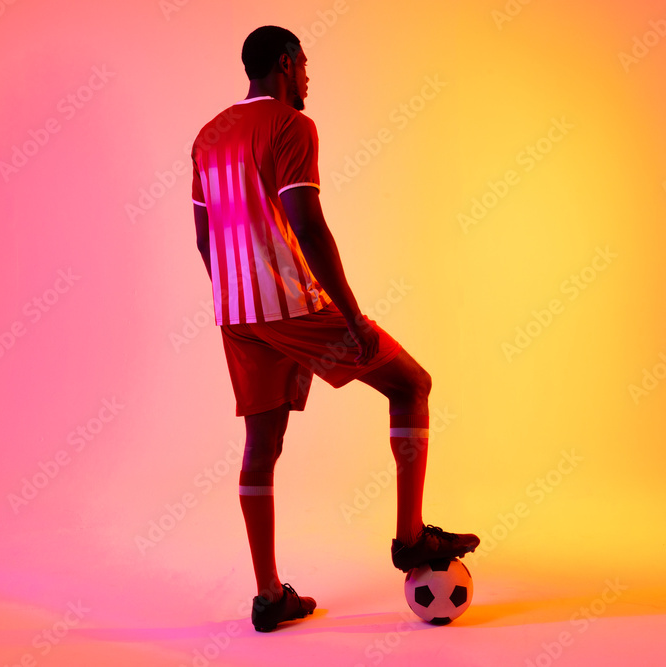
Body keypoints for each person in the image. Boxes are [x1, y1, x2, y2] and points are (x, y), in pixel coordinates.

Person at [191, 25, 479, 632]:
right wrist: (350, 316)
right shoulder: (291, 126)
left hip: (236, 313)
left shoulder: (206, 136)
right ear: (287, 62)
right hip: (293, 305)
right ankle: (408, 540)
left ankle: (269, 596)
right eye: (305, 66)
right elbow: (309, 223)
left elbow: (203, 238)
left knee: (260, 450)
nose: (308, 79)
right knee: (411, 385)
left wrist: (239, 298)